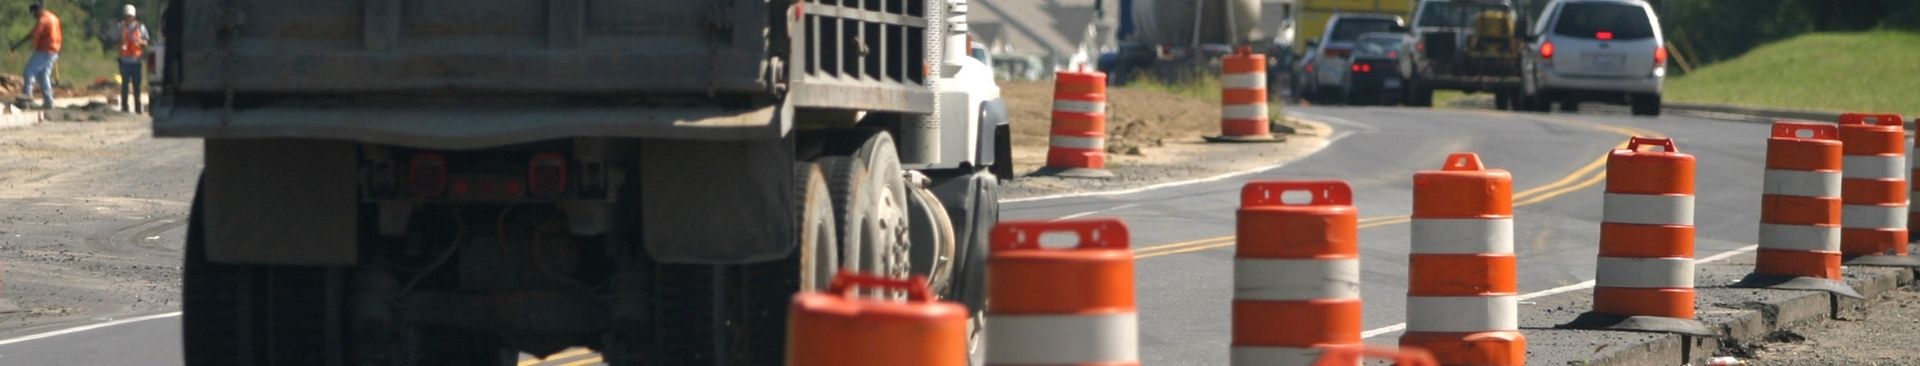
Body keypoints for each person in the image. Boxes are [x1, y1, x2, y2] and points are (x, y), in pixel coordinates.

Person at [11, 3, 60, 109]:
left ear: (37, 11)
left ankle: (27, 98)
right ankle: (48, 101)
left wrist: (17, 45)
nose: (34, 17)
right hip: (53, 51)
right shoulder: (53, 17)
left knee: (29, 71)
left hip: (44, 50)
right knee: (43, 76)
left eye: (33, 14)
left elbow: (33, 35)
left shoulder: (43, 19)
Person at [116, 4, 148, 113]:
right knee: (124, 85)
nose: (128, 18)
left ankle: (138, 108)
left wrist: (140, 42)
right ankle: (124, 107)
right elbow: (115, 42)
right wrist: (121, 44)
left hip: (136, 60)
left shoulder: (140, 27)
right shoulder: (120, 27)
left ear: (133, 16)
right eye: (126, 16)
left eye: (130, 16)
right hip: (124, 61)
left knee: (137, 86)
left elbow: (146, 41)